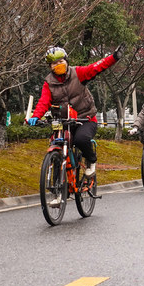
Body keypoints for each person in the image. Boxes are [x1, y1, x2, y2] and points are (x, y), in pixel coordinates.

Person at [28, 45, 121, 205]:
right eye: (53, 63)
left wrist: (114, 57)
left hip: (86, 119)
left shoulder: (78, 73)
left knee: (81, 139)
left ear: (66, 61)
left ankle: (91, 161)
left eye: (60, 61)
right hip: (64, 121)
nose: (58, 65)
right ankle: (58, 193)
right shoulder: (48, 83)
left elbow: (97, 67)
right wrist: (36, 116)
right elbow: (44, 101)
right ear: (49, 67)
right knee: (57, 148)